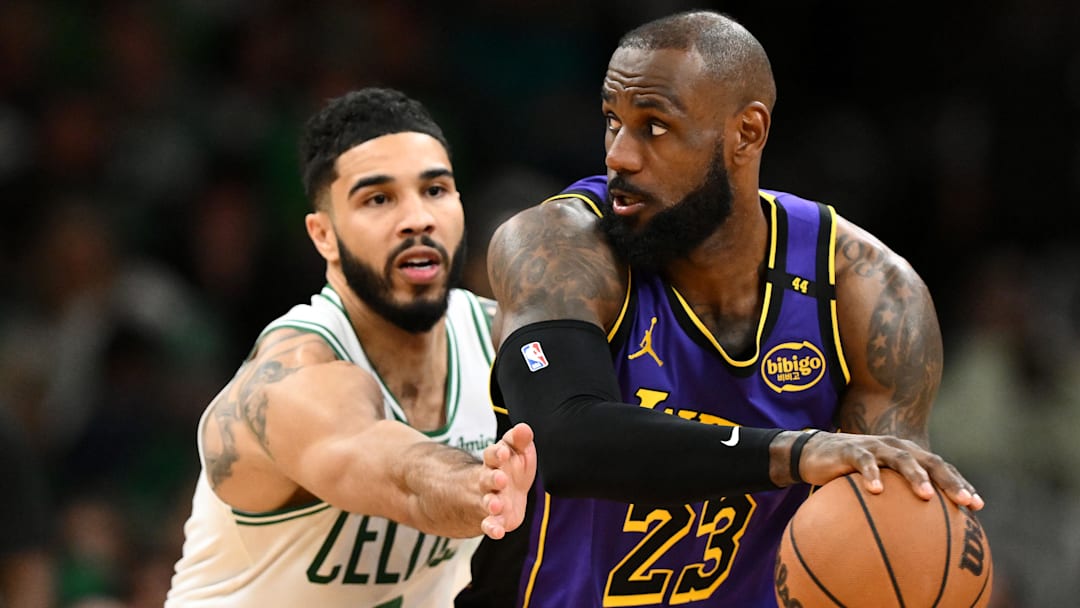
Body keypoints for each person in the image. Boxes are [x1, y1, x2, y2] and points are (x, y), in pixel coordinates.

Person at [456, 11, 984, 608]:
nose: (619, 156)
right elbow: (564, 440)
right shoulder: (558, 245)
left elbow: (885, 521)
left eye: (654, 127)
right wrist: (796, 452)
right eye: (612, 122)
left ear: (746, 133)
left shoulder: (866, 291)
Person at [166, 87, 536, 608]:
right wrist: (485, 488)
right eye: (378, 199)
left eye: (435, 190)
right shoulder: (289, 377)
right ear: (323, 235)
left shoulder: (505, 340)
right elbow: (402, 478)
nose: (418, 218)